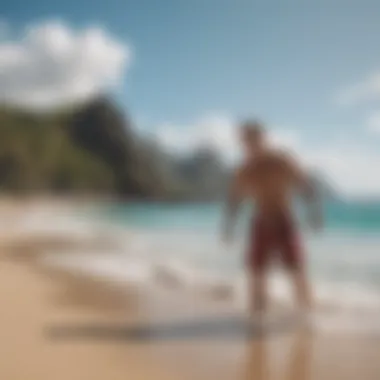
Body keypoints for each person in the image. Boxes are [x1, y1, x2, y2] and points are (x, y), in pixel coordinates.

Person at [222, 120, 322, 321]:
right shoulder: (245, 170)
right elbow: (235, 199)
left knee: (296, 269)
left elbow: (306, 186)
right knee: (257, 272)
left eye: (253, 140)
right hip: (260, 222)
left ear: (263, 138)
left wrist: (314, 215)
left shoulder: (281, 161)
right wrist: (229, 227)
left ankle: (307, 317)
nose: (250, 145)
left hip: (284, 220)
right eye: (246, 142)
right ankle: (257, 319)